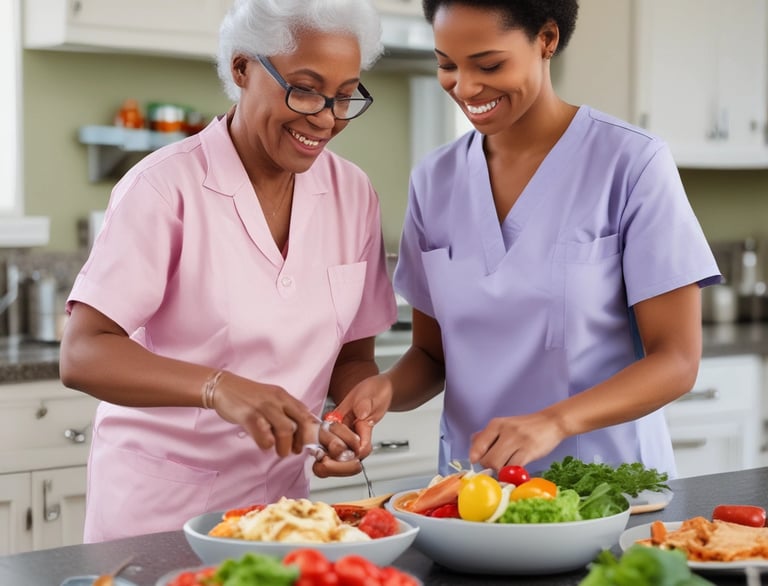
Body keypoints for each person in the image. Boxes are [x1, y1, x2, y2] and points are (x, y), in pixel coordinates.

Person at [334, 0, 721, 479]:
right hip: (474, 494)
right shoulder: (434, 181)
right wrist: (387, 389)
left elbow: (677, 361)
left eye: (489, 64)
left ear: (547, 40)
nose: (466, 87)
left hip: (607, 490)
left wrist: (555, 421)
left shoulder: (630, 163)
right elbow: (433, 355)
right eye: (447, 65)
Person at [59, 0, 396, 542]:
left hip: (282, 512)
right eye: (305, 89)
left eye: (343, 96)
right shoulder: (164, 188)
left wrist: (349, 421)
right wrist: (218, 388)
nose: (327, 117)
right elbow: (83, 353)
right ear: (242, 68)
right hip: (159, 511)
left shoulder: (352, 194)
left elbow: (353, 355)